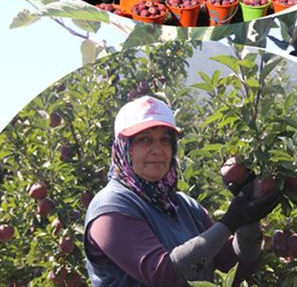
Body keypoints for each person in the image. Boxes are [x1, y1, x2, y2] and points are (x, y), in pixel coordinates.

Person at [84, 96, 280, 285]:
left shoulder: (183, 205)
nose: (157, 149)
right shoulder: (110, 208)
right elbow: (163, 275)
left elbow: (234, 265)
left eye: (165, 140)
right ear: (124, 149)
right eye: (144, 140)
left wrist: (249, 219)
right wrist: (231, 221)